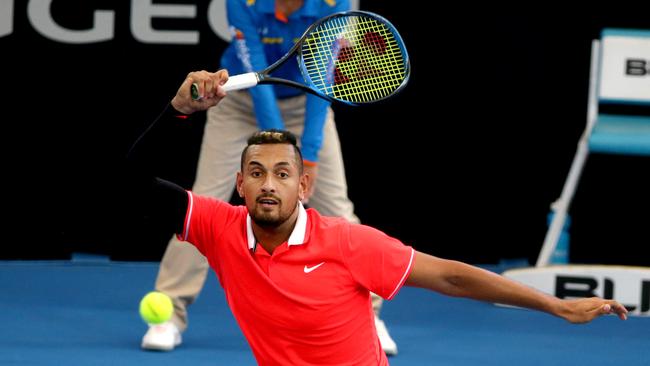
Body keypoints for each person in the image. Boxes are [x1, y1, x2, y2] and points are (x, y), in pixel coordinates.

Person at [128, 69, 628, 366]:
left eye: (283, 173)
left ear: (304, 186)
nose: (268, 183)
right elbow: (118, 186)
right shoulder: (220, 228)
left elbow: (452, 277)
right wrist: (176, 110)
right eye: (256, 172)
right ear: (240, 186)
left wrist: (556, 306)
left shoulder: (350, 244)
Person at [140, 0, 398, 355]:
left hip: (308, 103)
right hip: (239, 103)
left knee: (337, 206)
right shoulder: (241, 2)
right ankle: (169, 311)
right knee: (204, 201)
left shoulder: (332, 3)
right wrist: (281, 151)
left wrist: (306, 153)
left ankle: (369, 314)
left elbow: (323, 78)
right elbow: (257, 69)